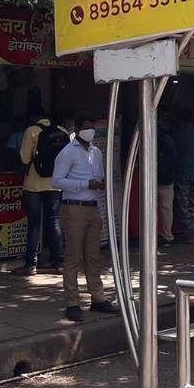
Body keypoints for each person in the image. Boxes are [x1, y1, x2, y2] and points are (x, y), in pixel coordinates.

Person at [52, 115, 117, 322]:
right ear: (77, 129)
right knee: (73, 256)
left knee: (93, 255)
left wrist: (99, 184)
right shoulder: (67, 153)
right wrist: (84, 184)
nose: (90, 131)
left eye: (92, 127)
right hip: (74, 207)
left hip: (92, 206)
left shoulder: (95, 152)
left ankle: (97, 297)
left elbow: (97, 176)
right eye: (87, 127)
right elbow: (57, 181)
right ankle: (72, 301)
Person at [17, 110, 69, 275]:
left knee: (34, 224)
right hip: (55, 183)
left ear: (33, 118)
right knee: (53, 221)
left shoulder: (31, 131)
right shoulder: (63, 130)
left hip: (34, 184)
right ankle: (59, 261)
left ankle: (30, 264)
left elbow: (25, 158)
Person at [172, 109, 194, 243]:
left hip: (184, 172)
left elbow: (176, 153)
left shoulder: (180, 134)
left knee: (184, 204)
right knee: (192, 203)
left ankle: (189, 233)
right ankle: (193, 230)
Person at [157, 120, 178, 246]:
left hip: (152, 177)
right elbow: (175, 157)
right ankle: (168, 235)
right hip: (167, 178)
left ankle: (150, 235)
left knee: (149, 208)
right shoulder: (169, 140)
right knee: (167, 208)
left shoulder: (148, 138)